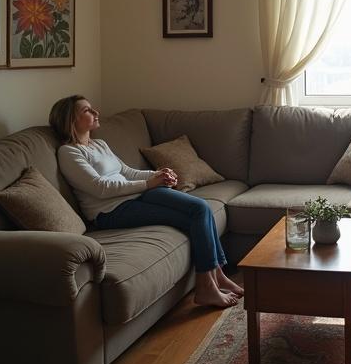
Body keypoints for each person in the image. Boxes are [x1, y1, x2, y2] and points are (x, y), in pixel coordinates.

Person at [50, 95, 242, 308]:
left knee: (201, 208)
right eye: (87, 110)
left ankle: (218, 275)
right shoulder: (68, 152)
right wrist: (150, 183)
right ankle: (206, 286)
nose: (96, 112)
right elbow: (99, 187)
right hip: (111, 210)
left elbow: (126, 172)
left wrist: (158, 175)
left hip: (135, 195)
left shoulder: (99, 144)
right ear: (71, 120)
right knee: (194, 216)